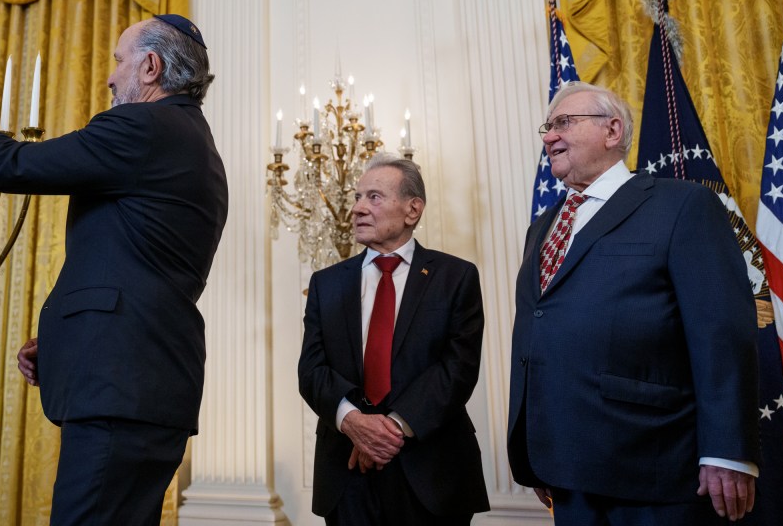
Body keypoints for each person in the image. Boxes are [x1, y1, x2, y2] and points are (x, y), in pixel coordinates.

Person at [0, 14, 228, 526]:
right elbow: (138, 264)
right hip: (140, 378)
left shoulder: (146, 126)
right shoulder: (191, 139)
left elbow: (14, 166)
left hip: (124, 389)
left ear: (151, 66)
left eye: (118, 61)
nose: (110, 77)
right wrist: (73, 340)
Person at [508, 81, 759, 525]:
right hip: (563, 465)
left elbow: (720, 330)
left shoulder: (682, 205)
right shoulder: (542, 228)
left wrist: (728, 449)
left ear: (612, 130)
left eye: (564, 122)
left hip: (654, 463)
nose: (548, 137)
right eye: (547, 126)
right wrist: (534, 439)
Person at [297, 154, 489, 525]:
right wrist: (353, 421)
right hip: (346, 473)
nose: (357, 209)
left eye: (374, 197)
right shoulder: (327, 283)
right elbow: (312, 370)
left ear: (412, 209)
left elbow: (458, 369)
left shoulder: (456, 277)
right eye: (356, 197)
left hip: (432, 470)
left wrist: (390, 431)